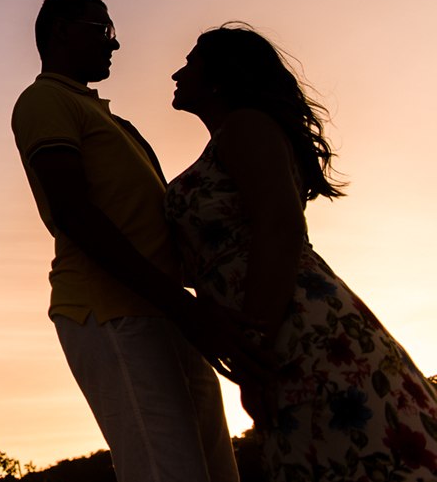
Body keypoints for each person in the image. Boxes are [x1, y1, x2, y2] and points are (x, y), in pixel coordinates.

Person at [11, 0, 265, 482]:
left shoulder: (109, 120)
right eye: (103, 30)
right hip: (110, 310)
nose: (116, 43)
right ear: (62, 30)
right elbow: (73, 213)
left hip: (167, 308)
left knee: (216, 471)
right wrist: (183, 305)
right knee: (165, 469)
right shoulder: (45, 100)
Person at [165, 23, 437, 481]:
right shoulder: (231, 137)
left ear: (218, 73)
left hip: (296, 327)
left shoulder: (246, 125)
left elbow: (281, 228)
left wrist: (253, 352)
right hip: (277, 329)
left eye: (191, 60)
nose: (177, 72)